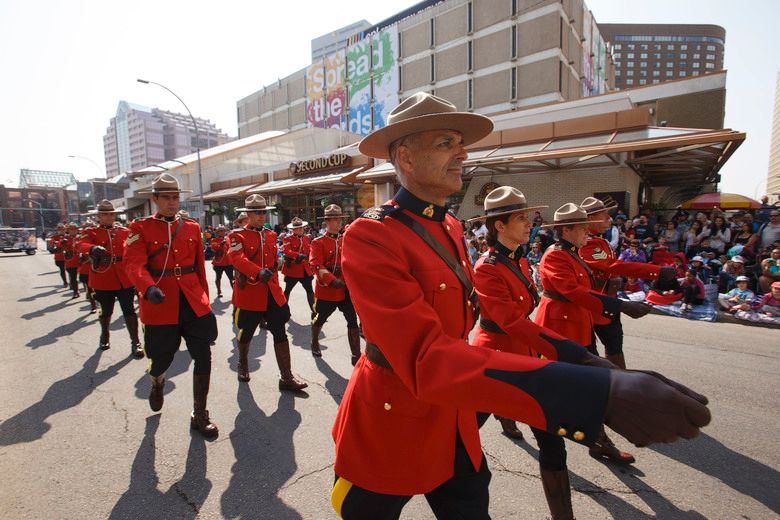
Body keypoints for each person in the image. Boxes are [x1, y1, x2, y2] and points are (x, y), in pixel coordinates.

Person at [331, 93, 710, 519]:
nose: (462, 152)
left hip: (453, 412)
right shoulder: (371, 234)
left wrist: (586, 360)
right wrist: (595, 391)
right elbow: (423, 356)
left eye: (460, 142)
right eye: (445, 143)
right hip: (393, 414)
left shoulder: (450, 225)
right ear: (405, 156)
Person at [538, 202, 657, 467]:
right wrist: (621, 305)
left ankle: (597, 440)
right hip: (561, 327)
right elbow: (573, 291)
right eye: (582, 228)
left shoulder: (574, 252)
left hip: (577, 324)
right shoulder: (556, 255)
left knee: (586, 385)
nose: (587, 233)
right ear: (567, 230)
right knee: (558, 388)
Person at [124, 173, 219, 438]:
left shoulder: (190, 227)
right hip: (160, 302)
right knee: (160, 359)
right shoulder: (139, 229)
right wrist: (148, 287)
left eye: (175, 197)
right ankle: (157, 381)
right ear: (154, 199)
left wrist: (205, 301)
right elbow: (133, 264)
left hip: (192, 302)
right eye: (166, 197)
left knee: (203, 356)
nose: (172, 202)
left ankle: (199, 414)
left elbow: (200, 267)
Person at [468, 186, 549, 440]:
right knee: (467, 430)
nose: (529, 224)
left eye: (528, 217)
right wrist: (561, 346)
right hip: (497, 353)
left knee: (549, 437)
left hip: (522, 348)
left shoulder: (520, 260)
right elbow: (510, 320)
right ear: (500, 226)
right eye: (521, 218)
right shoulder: (487, 267)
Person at [579, 197, 674, 370]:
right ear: (591, 218)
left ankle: (620, 381)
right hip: (595, 305)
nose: (609, 218)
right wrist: (656, 272)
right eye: (605, 214)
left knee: (614, 347)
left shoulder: (598, 239)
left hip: (608, 301)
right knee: (593, 354)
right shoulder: (587, 243)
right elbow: (612, 266)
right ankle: (613, 386)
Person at [227, 195, 307, 391]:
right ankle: (243, 364)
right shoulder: (237, 236)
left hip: (272, 291)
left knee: (280, 330)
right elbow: (236, 258)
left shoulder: (270, 235)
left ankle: (286, 376)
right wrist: (256, 272)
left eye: (264, 212)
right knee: (246, 333)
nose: (261, 216)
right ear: (247, 214)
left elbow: (273, 262)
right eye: (257, 212)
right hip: (250, 294)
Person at [78, 200, 142, 356]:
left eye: (111, 214)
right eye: (105, 214)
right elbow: (80, 245)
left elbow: (136, 248)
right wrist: (92, 248)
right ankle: (104, 334)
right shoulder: (91, 232)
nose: (108, 217)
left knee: (129, 311)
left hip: (124, 277)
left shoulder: (124, 231)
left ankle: (136, 342)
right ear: (98, 216)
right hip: (103, 277)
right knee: (106, 312)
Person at [309, 204, 361, 365]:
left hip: (345, 288)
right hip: (328, 289)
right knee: (320, 318)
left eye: (340, 219)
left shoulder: (345, 239)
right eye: (335, 219)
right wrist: (331, 280)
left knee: (352, 321)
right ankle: (315, 341)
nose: (338, 222)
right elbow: (316, 264)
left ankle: (356, 355)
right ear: (327, 222)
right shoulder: (318, 242)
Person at [281, 216, 315, 318]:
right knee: (287, 291)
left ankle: (314, 311)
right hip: (293, 269)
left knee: (310, 291)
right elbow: (287, 251)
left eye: (302, 228)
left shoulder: (306, 238)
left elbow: (310, 251)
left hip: (305, 269)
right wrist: (297, 255)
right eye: (298, 228)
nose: (300, 230)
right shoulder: (288, 238)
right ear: (293, 230)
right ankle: (284, 311)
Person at [76, 221, 98, 314]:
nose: (89, 229)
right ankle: (93, 305)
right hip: (86, 270)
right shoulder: (80, 240)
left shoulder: (100, 238)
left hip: (99, 269)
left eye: (91, 227)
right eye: (86, 227)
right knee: (90, 289)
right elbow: (80, 259)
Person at [210, 225, 233, 298]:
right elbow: (214, 249)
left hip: (228, 262)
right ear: (218, 232)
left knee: (232, 278)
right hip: (219, 262)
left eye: (224, 230)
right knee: (218, 277)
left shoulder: (228, 239)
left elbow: (232, 248)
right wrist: (220, 245)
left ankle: (235, 292)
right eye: (221, 231)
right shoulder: (214, 240)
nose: (224, 232)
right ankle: (219, 291)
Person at [61, 223, 81, 298]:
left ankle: (89, 294)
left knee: (85, 278)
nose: (73, 231)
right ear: (68, 230)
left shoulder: (81, 238)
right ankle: (76, 292)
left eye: (75, 229)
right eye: (71, 229)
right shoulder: (65, 239)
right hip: (71, 261)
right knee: (73, 278)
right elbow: (60, 248)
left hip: (81, 261)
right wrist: (63, 244)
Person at [49, 223, 68, 287]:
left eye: (63, 229)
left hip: (69, 257)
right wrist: (56, 242)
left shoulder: (68, 236)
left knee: (71, 270)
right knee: (62, 270)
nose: (61, 231)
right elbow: (51, 245)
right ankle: (65, 281)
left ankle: (72, 282)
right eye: (60, 229)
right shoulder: (55, 237)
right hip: (59, 257)